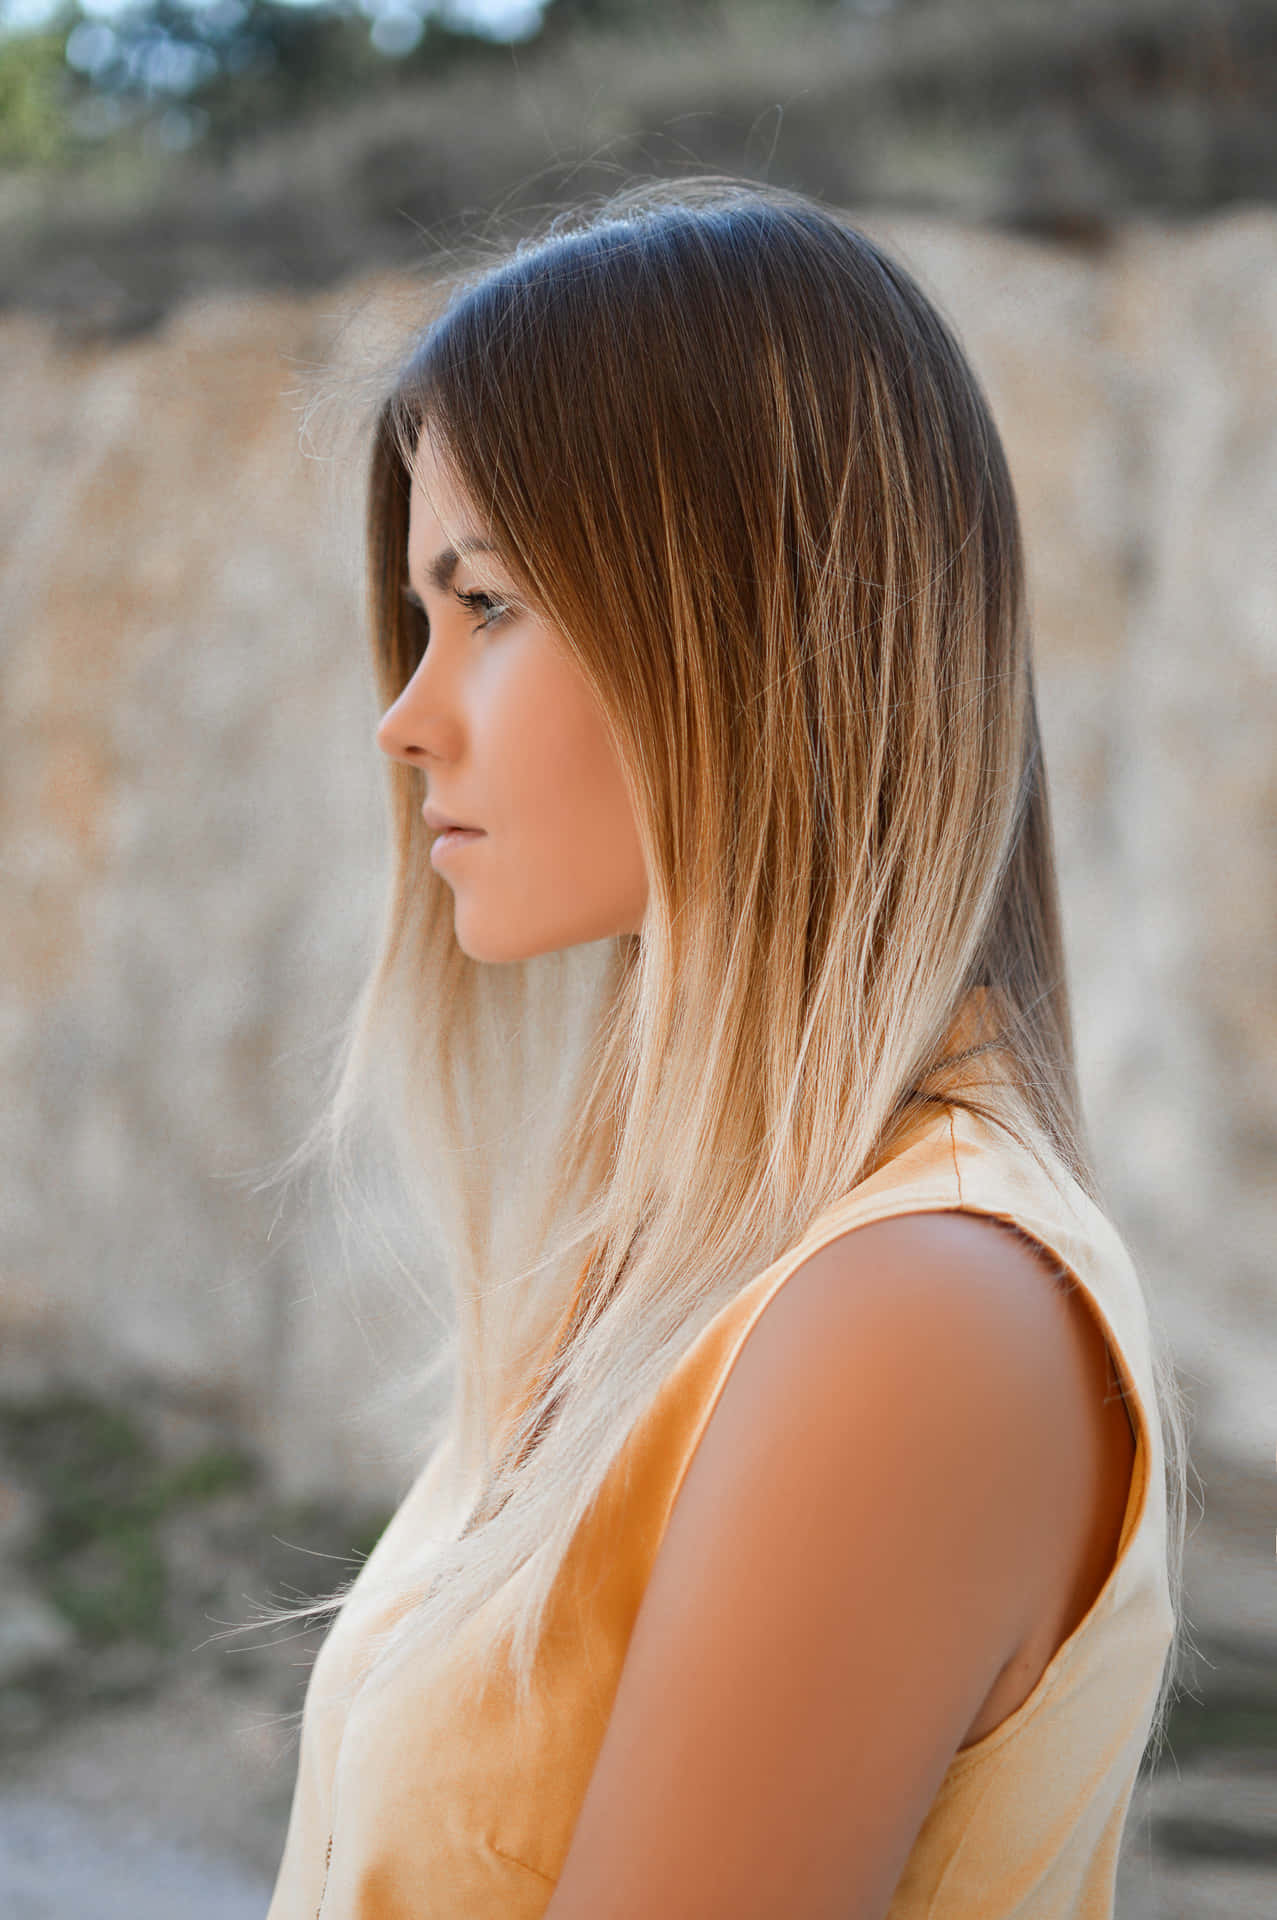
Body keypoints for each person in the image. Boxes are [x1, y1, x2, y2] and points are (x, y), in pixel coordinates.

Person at [263, 176, 1187, 1919]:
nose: (407, 717)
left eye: (487, 605)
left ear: (748, 621)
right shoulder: (705, 1249)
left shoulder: (912, 1313)